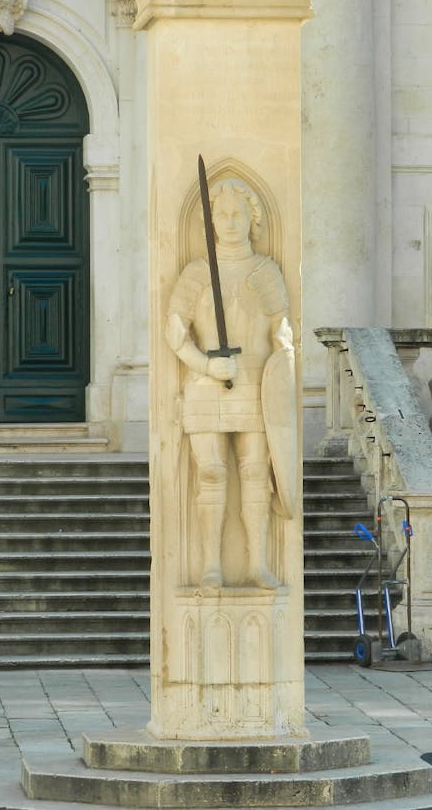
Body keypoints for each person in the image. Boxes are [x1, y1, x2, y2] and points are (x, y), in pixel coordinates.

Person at [166, 177, 294, 589]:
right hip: (206, 389)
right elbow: (175, 334)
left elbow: (282, 330)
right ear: (211, 220)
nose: (230, 221)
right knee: (212, 474)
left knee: (256, 472)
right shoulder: (197, 273)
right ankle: (211, 565)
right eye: (221, 214)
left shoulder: (265, 271)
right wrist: (205, 366)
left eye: (238, 213)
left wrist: (286, 350)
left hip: (255, 385)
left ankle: (257, 562)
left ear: (251, 217)